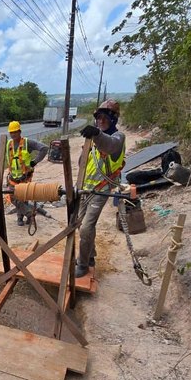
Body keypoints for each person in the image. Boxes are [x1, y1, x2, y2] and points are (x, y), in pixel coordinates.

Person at [76, 99, 126, 278]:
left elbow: (109, 145)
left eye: (105, 118)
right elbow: (82, 164)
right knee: (81, 224)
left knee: (86, 228)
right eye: (98, 118)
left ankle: (82, 265)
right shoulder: (93, 140)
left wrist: (96, 134)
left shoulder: (118, 138)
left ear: (113, 119)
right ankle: (90, 256)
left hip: (101, 189)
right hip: (85, 189)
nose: (101, 121)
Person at [5, 121, 47, 226]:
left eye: (15, 132)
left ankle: (22, 218)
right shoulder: (8, 144)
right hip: (12, 178)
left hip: (25, 177)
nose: (13, 134)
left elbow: (44, 148)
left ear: (19, 131)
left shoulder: (27, 143)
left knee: (23, 197)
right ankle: (29, 214)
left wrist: (34, 162)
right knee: (13, 197)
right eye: (11, 132)